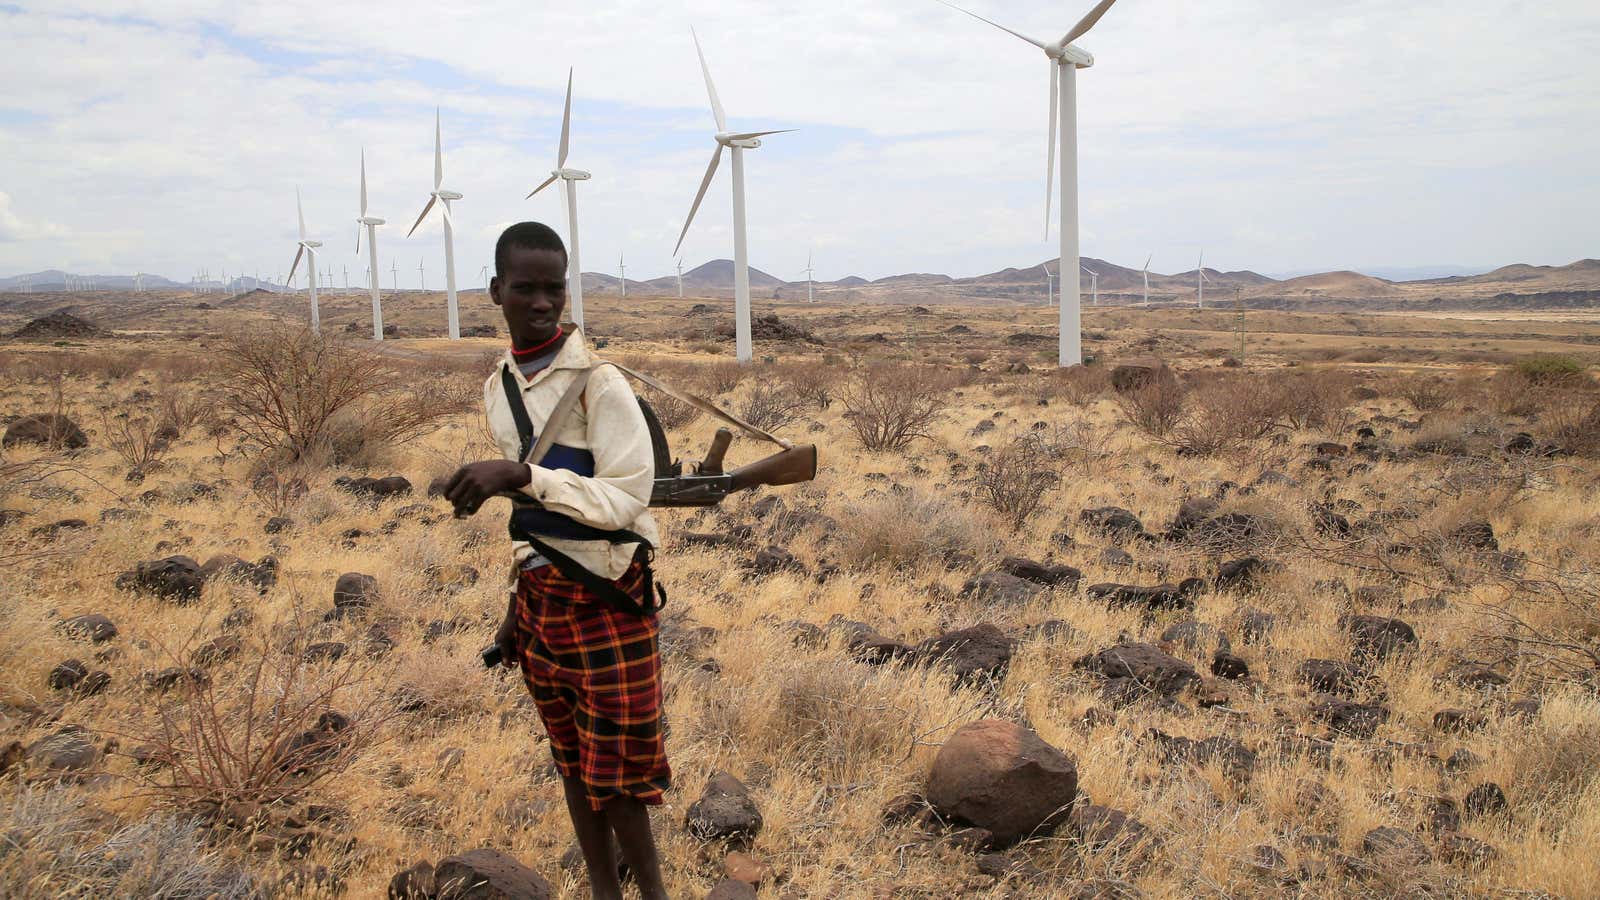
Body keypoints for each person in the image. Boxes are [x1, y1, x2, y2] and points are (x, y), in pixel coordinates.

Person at [444, 222, 670, 900]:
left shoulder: (601, 385)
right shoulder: (498, 391)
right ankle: (604, 892)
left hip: (608, 592)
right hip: (546, 603)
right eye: (525, 289)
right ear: (495, 292)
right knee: (571, 761)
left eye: (554, 288)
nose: (541, 303)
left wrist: (521, 477)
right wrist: (519, 599)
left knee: (620, 777)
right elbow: (529, 522)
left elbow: (628, 497)